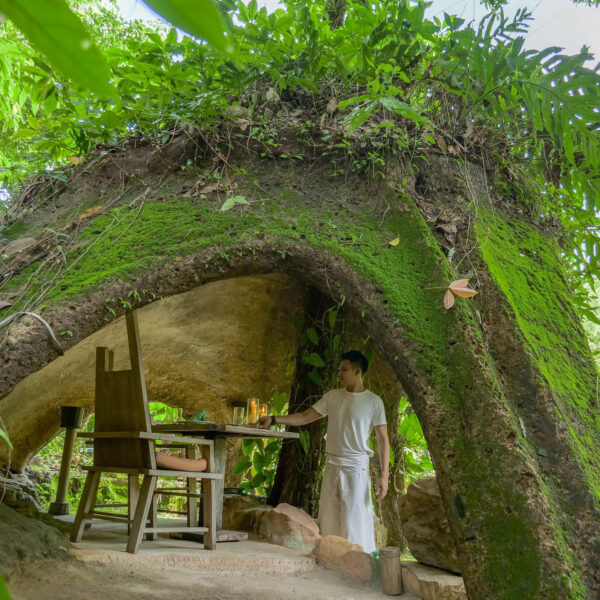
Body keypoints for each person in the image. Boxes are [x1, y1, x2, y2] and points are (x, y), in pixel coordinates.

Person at [254, 350, 389, 554]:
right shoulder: (333, 397)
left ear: (357, 371)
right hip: (333, 467)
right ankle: (330, 563)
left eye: (344, 369)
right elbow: (305, 417)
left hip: (356, 469)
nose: (339, 374)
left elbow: (383, 439)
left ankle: (360, 565)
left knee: (356, 524)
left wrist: (385, 476)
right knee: (330, 522)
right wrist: (274, 419)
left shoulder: (373, 402)